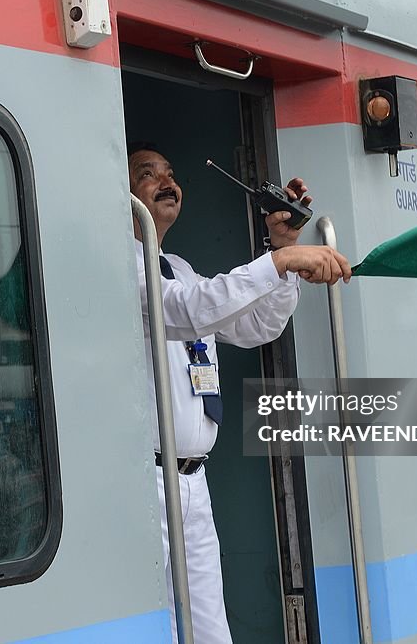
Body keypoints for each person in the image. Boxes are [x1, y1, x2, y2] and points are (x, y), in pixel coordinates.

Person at [128, 142, 351, 643]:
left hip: (192, 478)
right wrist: (282, 261)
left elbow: (254, 326)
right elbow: (188, 311)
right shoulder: (125, 266)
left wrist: (280, 252)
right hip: (148, 479)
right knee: (157, 622)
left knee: (210, 623)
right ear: (123, 195)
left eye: (169, 172)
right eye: (147, 174)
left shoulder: (179, 269)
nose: (166, 182)